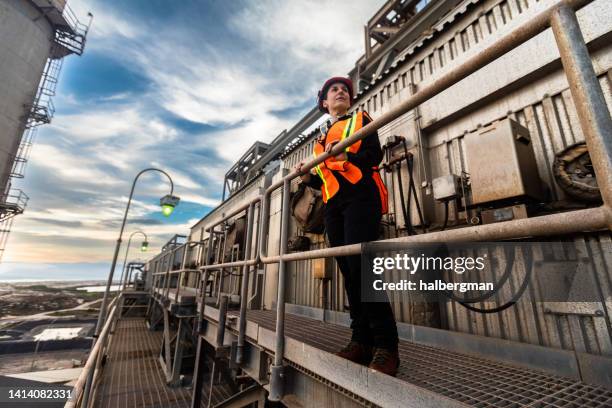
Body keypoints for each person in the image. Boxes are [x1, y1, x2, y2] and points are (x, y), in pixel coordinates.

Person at [295, 76, 400, 376]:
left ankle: (386, 347)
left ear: (349, 100)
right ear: (324, 103)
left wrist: (348, 153)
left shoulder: (360, 120)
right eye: (333, 90)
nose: (340, 92)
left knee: (363, 267)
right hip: (334, 206)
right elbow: (320, 177)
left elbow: (373, 155)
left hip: (360, 198)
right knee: (347, 270)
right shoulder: (320, 140)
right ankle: (361, 340)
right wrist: (305, 176)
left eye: (344, 90)